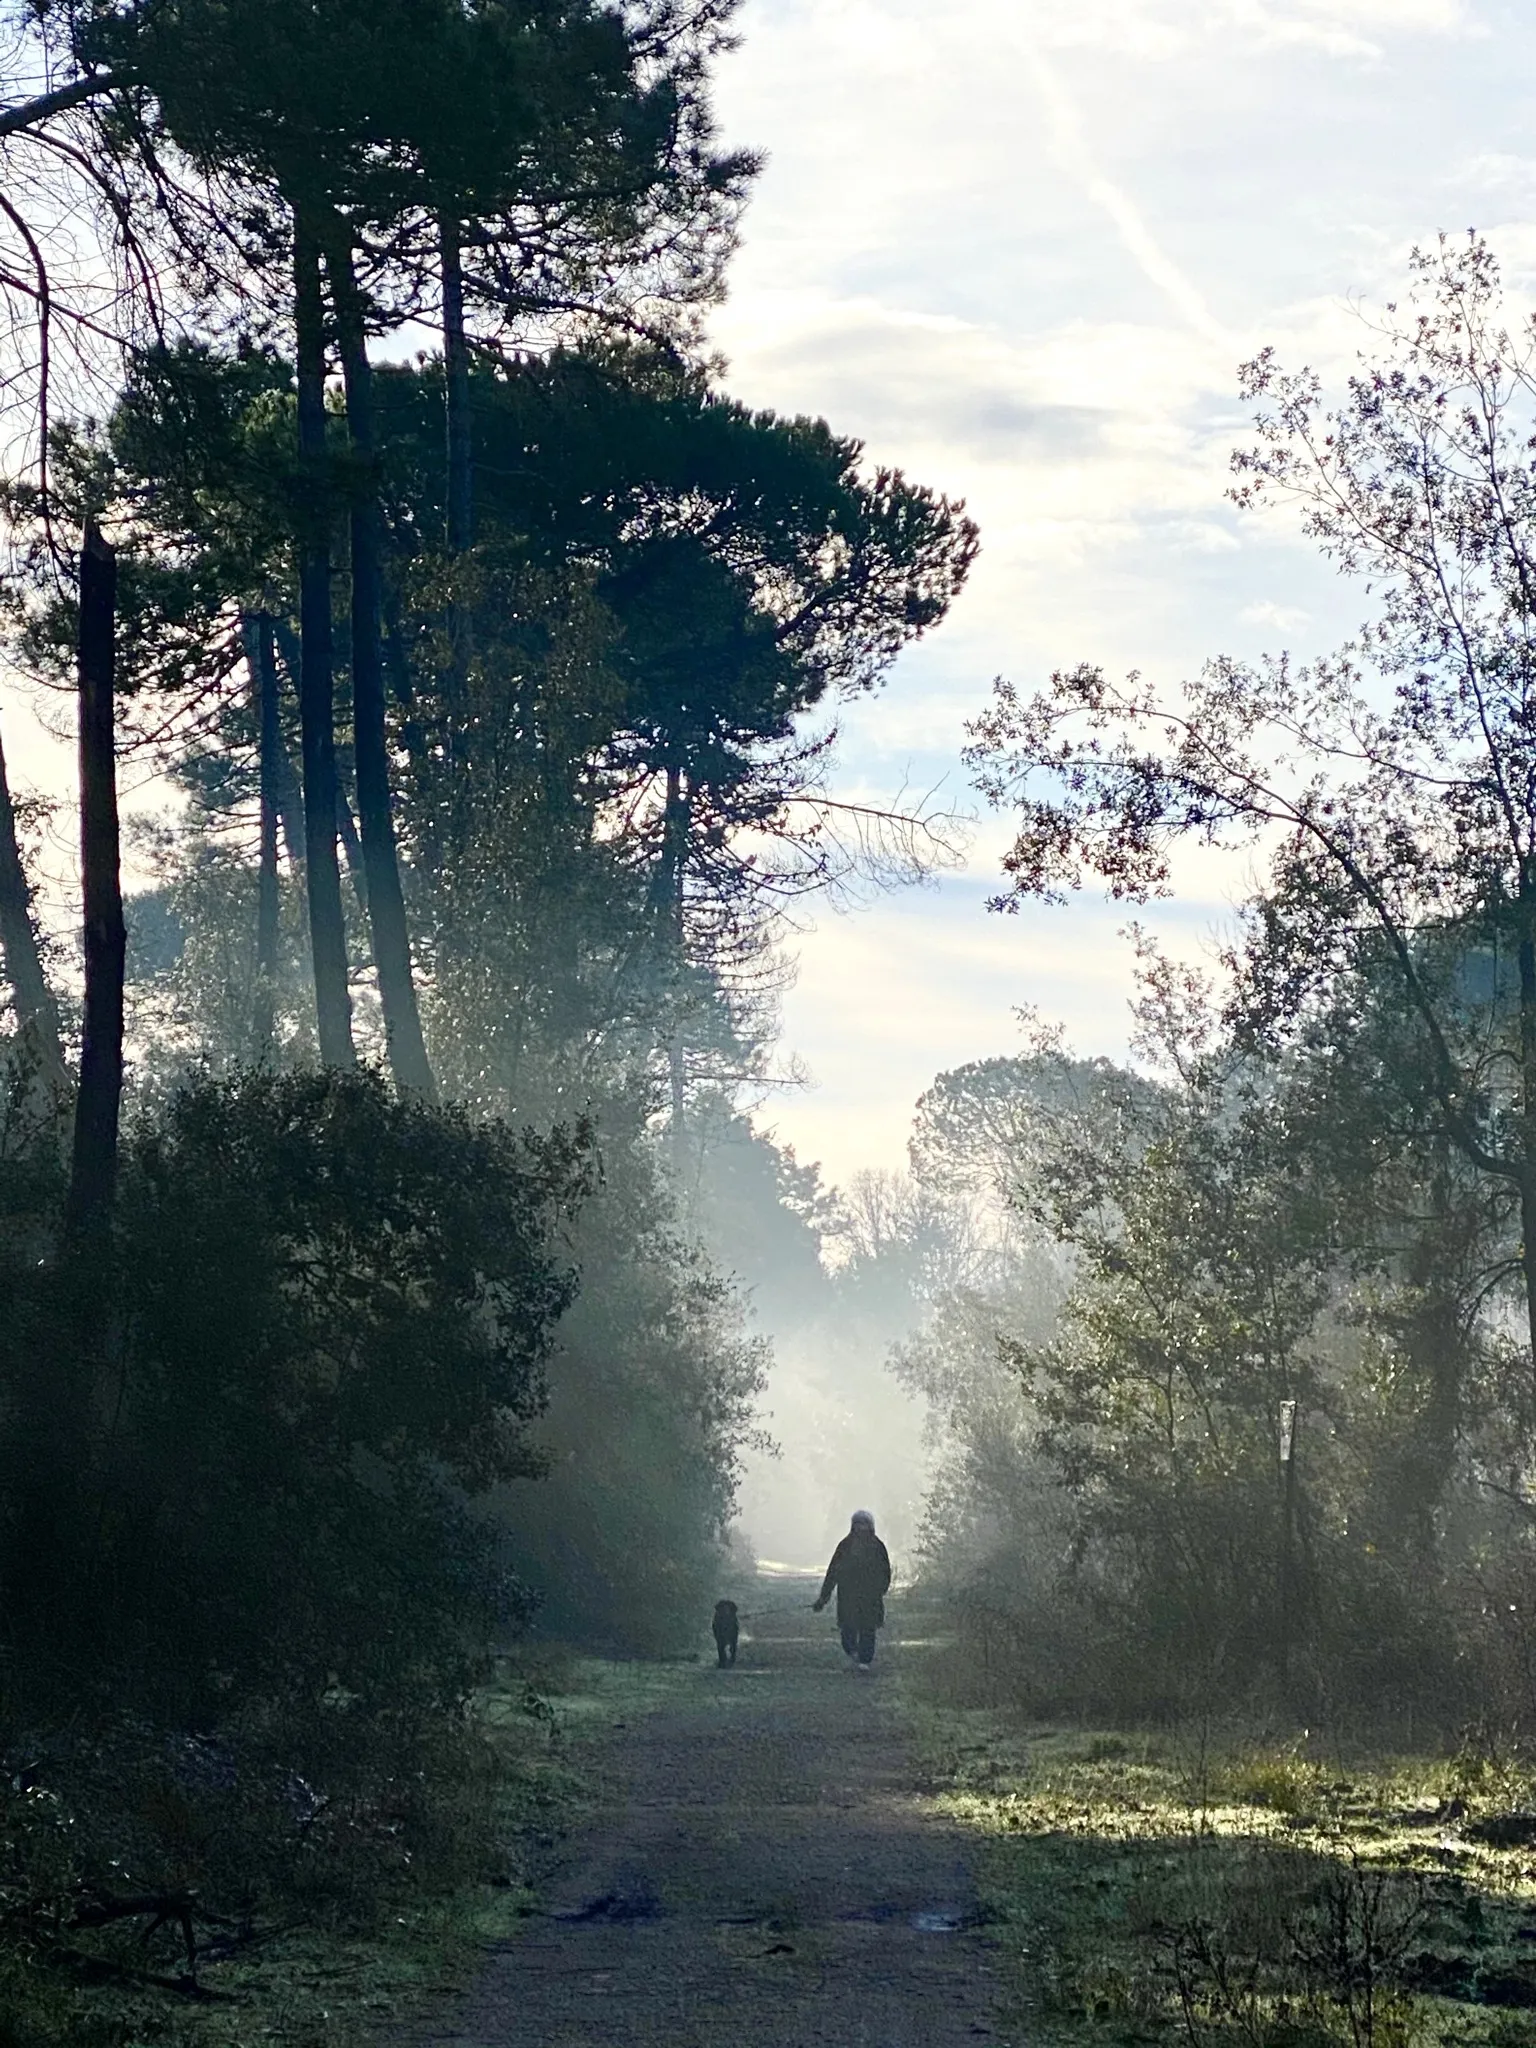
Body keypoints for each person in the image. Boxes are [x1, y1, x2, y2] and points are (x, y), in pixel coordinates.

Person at [812, 1509, 892, 1668]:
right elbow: (833, 1572)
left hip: (868, 1596)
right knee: (849, 1628)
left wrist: (880, 1589)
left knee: (867, 1629)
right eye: (859, 1525)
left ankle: (864, 1659)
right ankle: (856, 1653)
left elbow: (885, 1572)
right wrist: (823, 1598)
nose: (861, 1528)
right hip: (850, 1596)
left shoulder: (876, 1546)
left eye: (864, 1525)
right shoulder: (846, 1546)